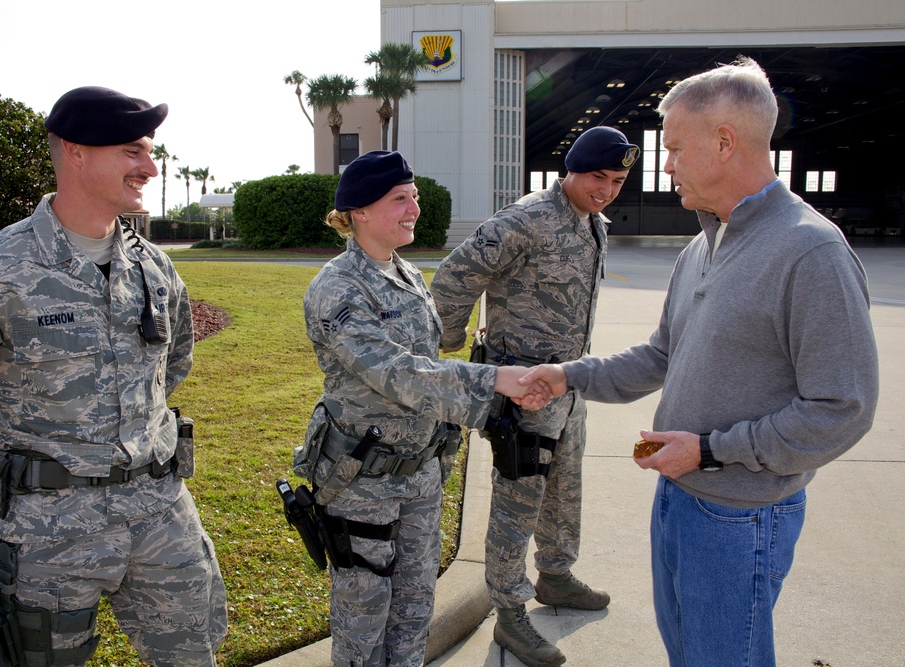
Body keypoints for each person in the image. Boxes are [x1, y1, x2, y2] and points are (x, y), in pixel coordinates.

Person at [519, 57, 879, 667]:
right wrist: (566, 376)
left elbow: (842, 410)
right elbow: (661, 353)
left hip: (740, 519)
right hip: (679, 497)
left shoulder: (809, 251)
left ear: (724, 141)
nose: (666, 164)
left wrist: (710, 450)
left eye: (676, 148)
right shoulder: (702, 244)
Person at [0, 86, 227, 666]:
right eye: (133, 151)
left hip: (160, 512)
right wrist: (11, 431)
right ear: (76, 152)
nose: (149, 168)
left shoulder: (152, 267)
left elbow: (171, 364)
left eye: (149, 152)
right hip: (47, 531)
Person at [297, 150, 551, 667]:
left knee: (415, 606)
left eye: (414, 196)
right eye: (399, 199)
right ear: (359, 211)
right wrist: (494, 381)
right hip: (362, 480)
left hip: (419, 473)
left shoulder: (408, 273)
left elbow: (429, 361)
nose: (413, 207)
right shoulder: (337, 288)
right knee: (364, 615)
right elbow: (398, 373)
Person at [430, 125, 637, 666]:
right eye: (598, 177)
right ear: (570, 169)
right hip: (523, 394)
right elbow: (452, 279)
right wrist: (453, 347)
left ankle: (557, 575)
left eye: (617, 180)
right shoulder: (524, 220)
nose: (607, 189)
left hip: (570, 384)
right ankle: (510, 614)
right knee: (516, 502)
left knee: (565, 490)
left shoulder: (593, 222)